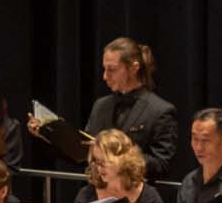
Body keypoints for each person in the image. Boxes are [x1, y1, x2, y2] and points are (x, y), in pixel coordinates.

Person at [72, 36, 178, 177]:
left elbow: (162, 164)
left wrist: (119, 158)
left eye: (112, 69)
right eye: (104, 69)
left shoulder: (160, 111)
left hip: (135, 195)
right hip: (97, 193)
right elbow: (84, 153)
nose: (104, 76)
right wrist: (51, 134)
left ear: (134, 68)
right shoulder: (100, 106)